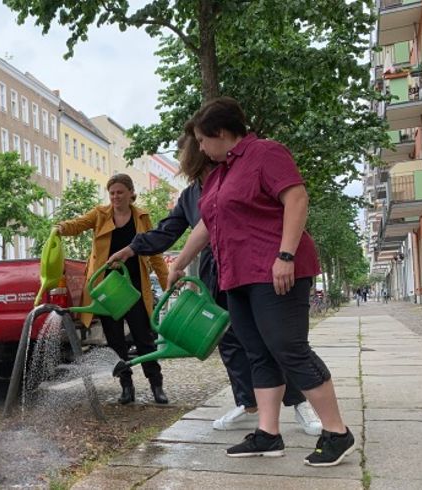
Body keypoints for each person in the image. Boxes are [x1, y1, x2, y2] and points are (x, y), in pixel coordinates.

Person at [168, 97, 353, 467]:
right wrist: (179, 263)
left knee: (289, 348)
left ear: (221, 133)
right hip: (237, 277)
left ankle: (337, 432)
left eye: (203, 140)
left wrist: (285, 255)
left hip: (275, 272)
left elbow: (296, 198)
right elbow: (206, 225)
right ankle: (268, 435)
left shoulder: (266, 153)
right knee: (259, 354)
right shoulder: (220, 174)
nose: (201, 148)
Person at [107, 126, 321, 436]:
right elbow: (168, 230)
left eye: (185, 154)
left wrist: (285, 256)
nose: (182, 161)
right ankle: (248, 405)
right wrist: (131, 249)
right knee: (231, 342)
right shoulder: (191, 194)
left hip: (254, 265)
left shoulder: (234, 175)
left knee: (275, 339)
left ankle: (300, 404)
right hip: (216, 270)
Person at [56, 174, 170, 404]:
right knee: (115, 340)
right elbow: (77, 224)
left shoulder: (142, 217)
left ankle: (156, 385)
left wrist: (167, 283)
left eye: (120, 192)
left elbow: (155, 253)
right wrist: (60, 228)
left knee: (144, 337)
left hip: (135, 286)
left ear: (130, 193)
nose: (116, 196)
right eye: (112, 193)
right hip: (106, 287)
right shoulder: (99, 214)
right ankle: (126, 386)